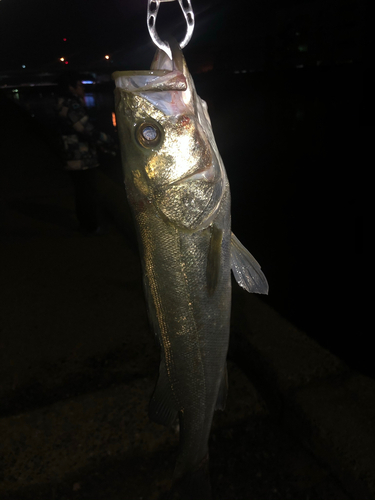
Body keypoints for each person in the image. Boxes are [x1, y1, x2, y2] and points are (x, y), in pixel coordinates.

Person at [56, 71, 112, 234]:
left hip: (71, 156)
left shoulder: (62, 104)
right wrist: (108, 140)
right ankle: (91, 226)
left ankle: (86, 224)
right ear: (71, 88)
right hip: (80, 157)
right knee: (88, 192)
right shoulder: (70, 105)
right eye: (80, 85)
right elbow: (86, 129)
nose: (83, 89)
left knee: (82, 192)